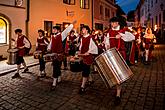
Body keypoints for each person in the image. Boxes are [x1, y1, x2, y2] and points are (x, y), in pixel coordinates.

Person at [104, 17, 128, 105]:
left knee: (119, 74)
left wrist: (121, 35)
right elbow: (107, 43)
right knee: (114, 74)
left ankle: (118, 94)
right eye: (111, 23)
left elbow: (131, 37)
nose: (112, 24)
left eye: (113, 23)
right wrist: (106, 47)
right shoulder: (109, 32)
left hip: (120, 54)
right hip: (111, 54)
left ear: (117, 23)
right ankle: (118, 90)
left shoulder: (123, 31)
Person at [47, 20, 76, 90]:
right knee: (56, 66)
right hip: (54, 54)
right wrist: (48, 48)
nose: (53, 30)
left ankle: (54, 83)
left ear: (58, 30)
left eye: (54, 29)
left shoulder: (62, 35)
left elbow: (67, 30)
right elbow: (50, 44)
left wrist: (72, 24)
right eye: (53, 29)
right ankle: (59, 78)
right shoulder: (52, 36)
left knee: (55, 68)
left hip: (59, 55)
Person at [78, 25, 98, 94]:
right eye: (82, 29)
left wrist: (88, 52)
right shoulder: (81, 38)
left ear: (87, 30)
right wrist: (79, 52)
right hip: (83, 56)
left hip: (88, 57)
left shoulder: (91, 38)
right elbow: (81, 46)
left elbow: (95, 47)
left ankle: (82, 86)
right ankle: (91, 79)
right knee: (85, 69)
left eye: (83, 29)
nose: (82, 30)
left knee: (85, 71)